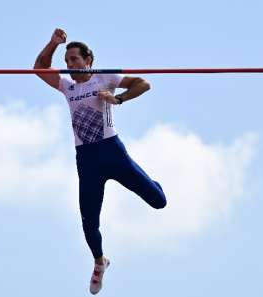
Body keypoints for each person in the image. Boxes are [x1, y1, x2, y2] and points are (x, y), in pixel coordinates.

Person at [34, 28, 167, 294]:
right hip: (87, 161)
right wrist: (53, 44)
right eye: (67, 60)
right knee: (89, 222)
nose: (70, 64)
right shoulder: (67, 86)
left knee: (158, 201)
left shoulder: (106, 77)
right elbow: (39, 67)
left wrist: (117, 98)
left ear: (88, 60)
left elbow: (143, 83)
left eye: (74, 59)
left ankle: (150, 181)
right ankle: (99, 261)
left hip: (112, 152)